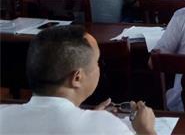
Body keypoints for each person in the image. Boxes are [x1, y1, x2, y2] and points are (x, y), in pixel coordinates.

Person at [0, 25, 155, 135]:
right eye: (97, 62)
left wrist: (89, 118)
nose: (99, 67)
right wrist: (146, 131)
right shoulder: (106, 126)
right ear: (77, 78)